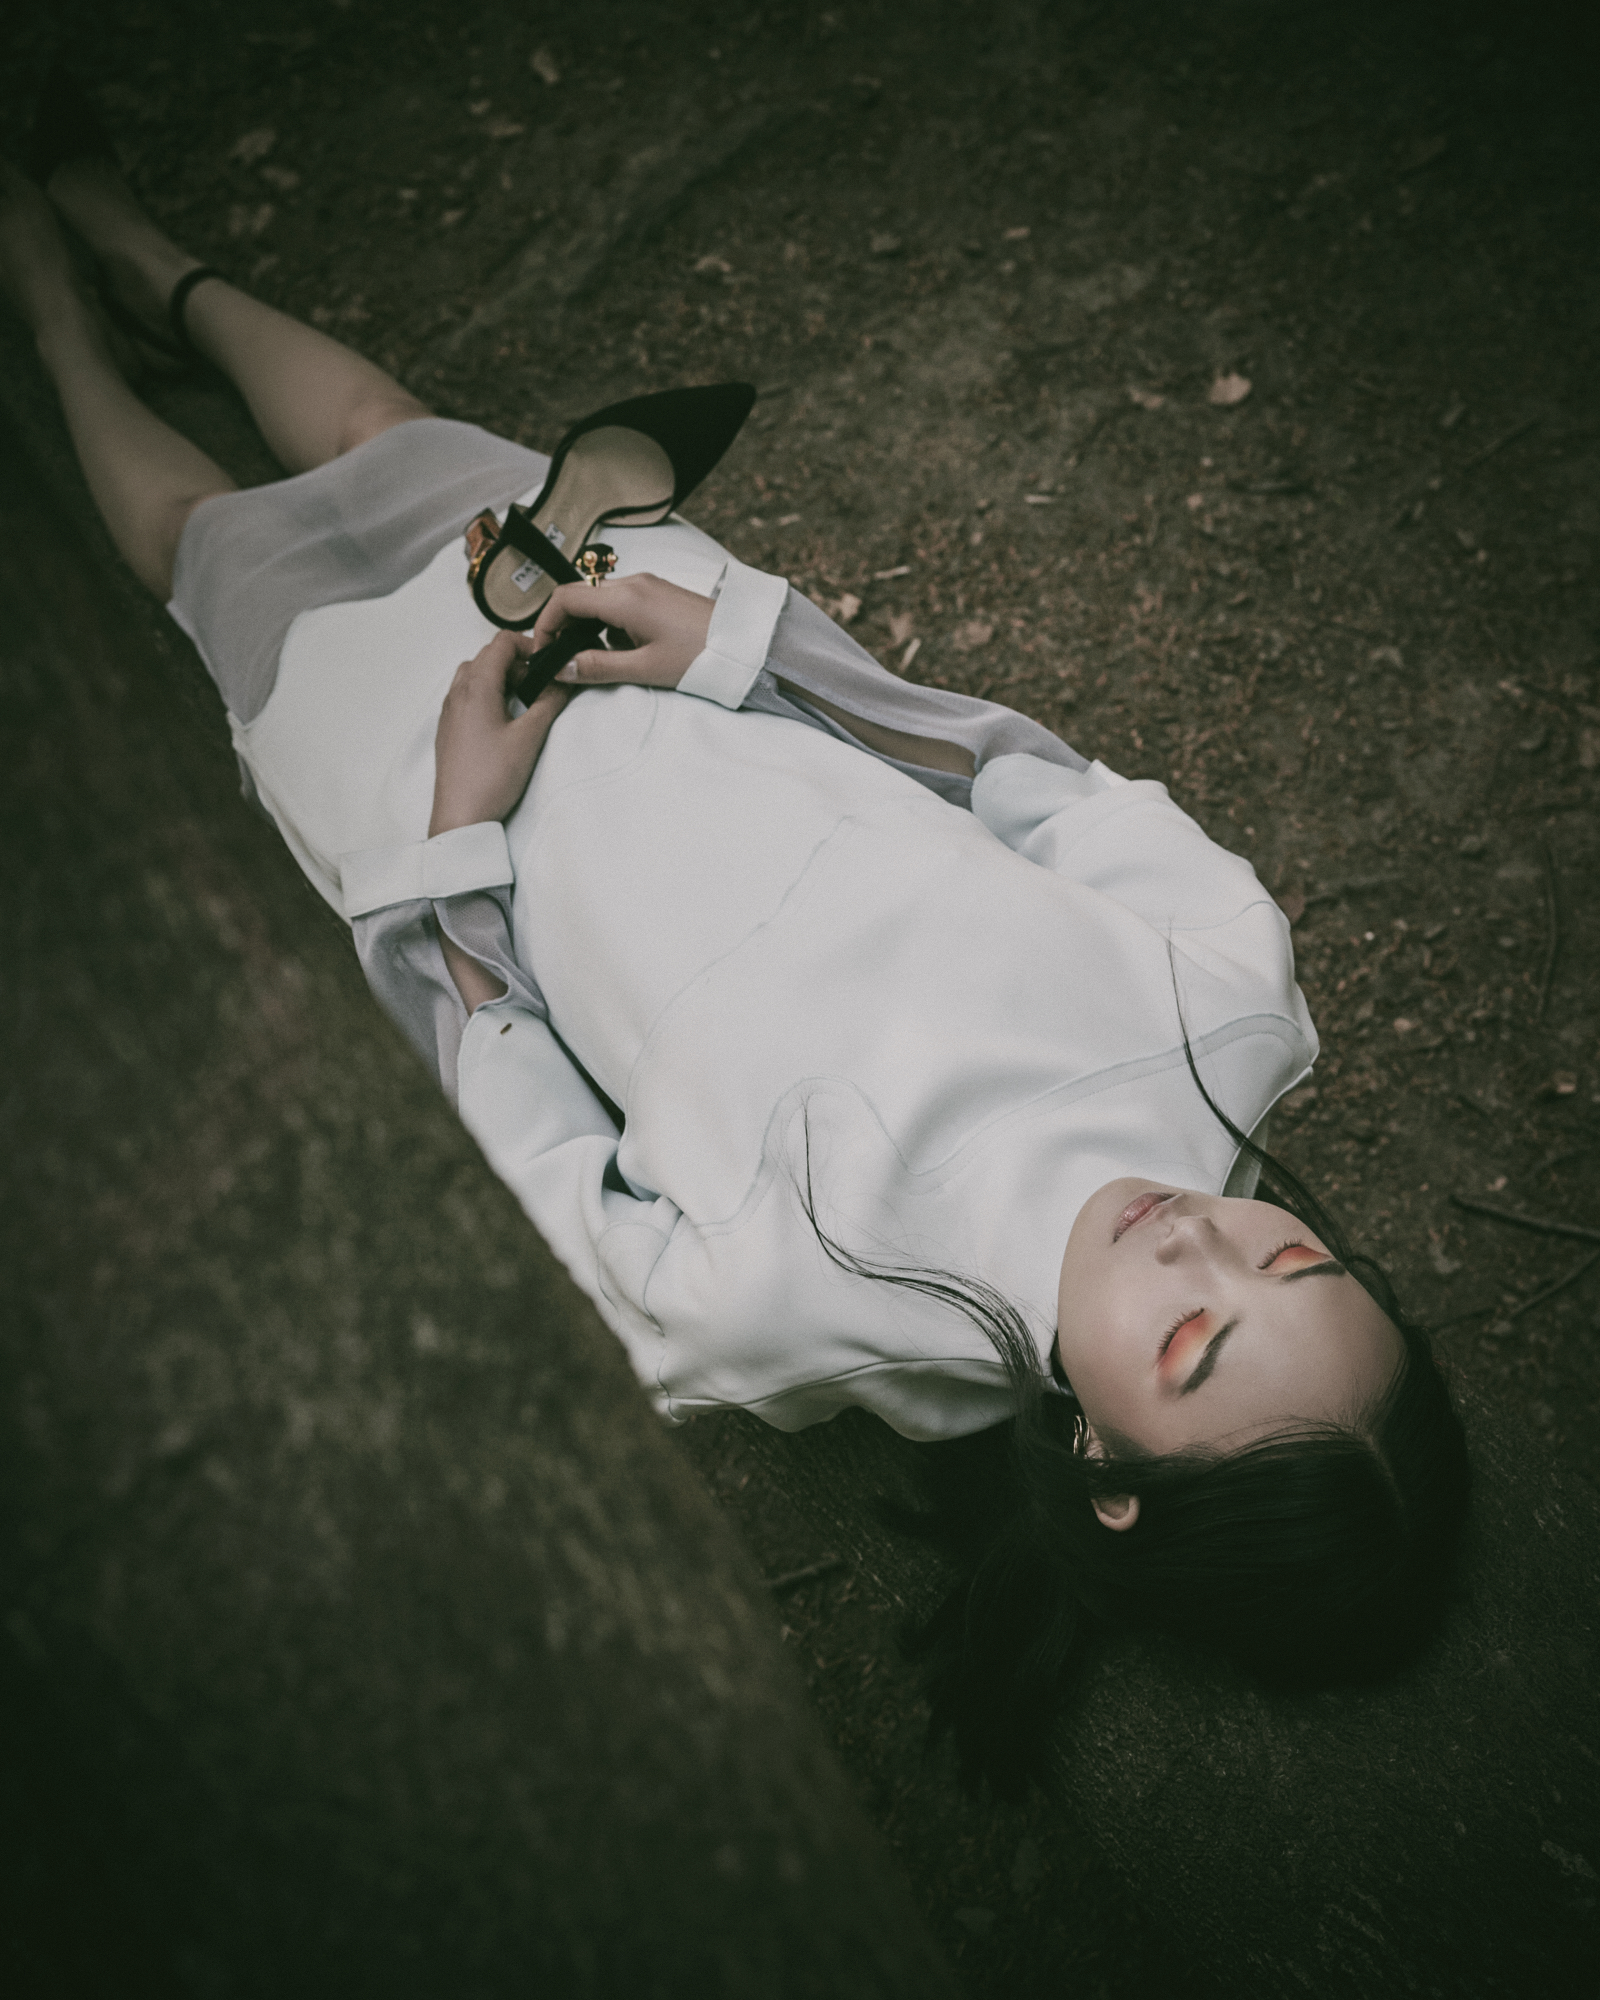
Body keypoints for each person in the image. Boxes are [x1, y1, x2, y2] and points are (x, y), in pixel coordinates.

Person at [1, 113, 1470, 1792]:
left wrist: (456, 842)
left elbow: (532, 1159)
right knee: (388, 437)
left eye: (1193, 1342)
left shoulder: (804, 1315)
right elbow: (1024, 779)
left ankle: (48, 316)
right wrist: (739, 646)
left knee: (202, 547)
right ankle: (159, 273)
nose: (1205, 1241)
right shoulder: (1227, 1002)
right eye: (1296, 1261)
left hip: (452, 781)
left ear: (1105, 1473)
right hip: (660, 658)